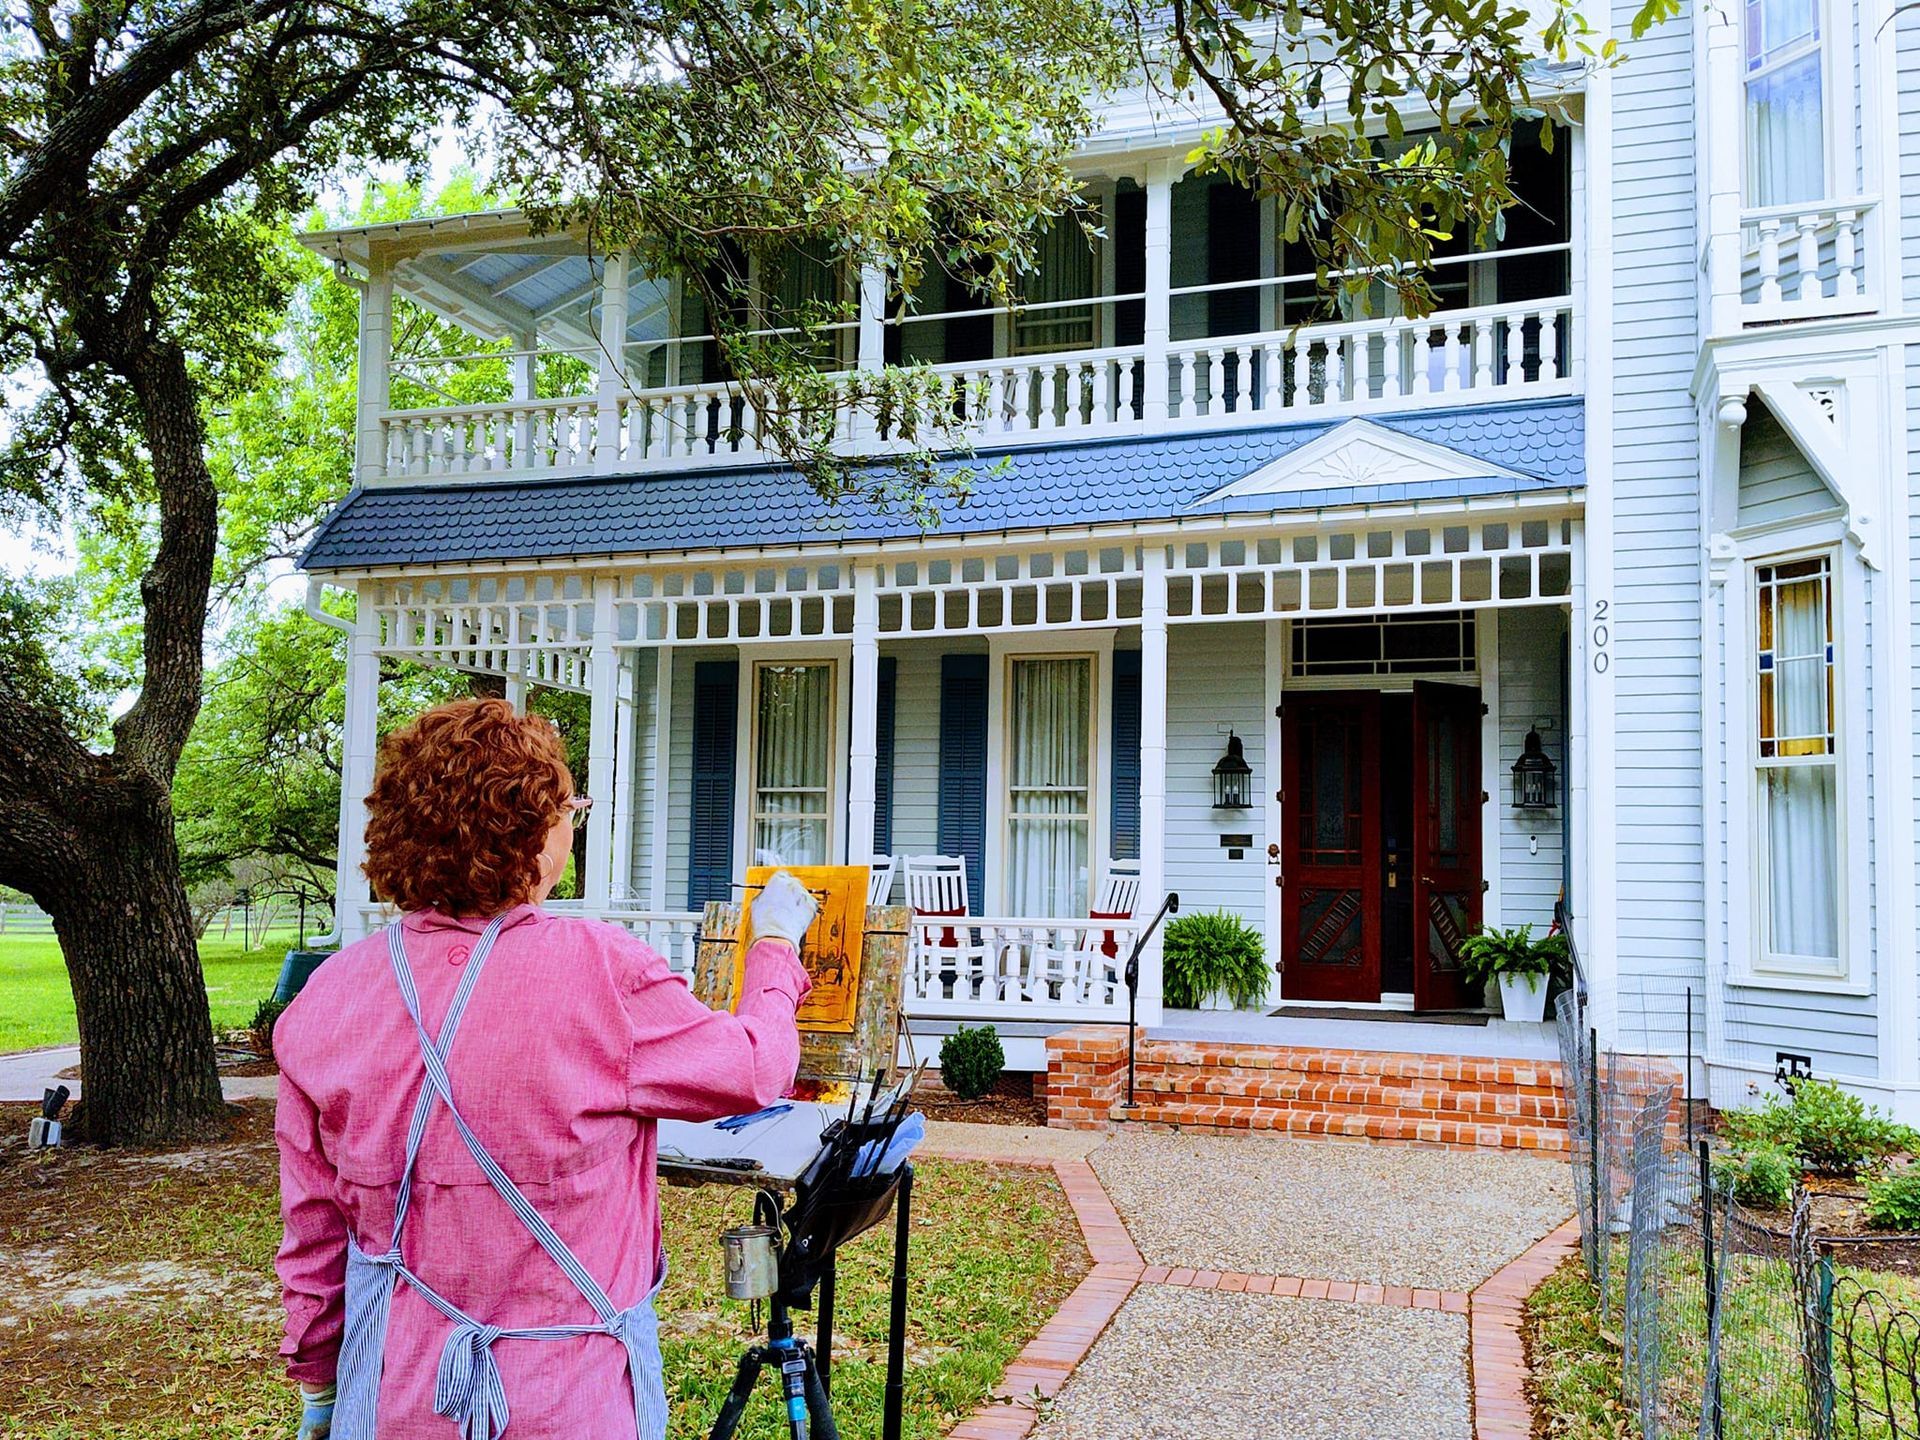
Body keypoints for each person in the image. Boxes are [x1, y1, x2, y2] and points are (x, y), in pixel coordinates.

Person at [274, 697, 815, 1440]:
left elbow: (314, 1231)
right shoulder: (601, 974)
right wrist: (776, 949)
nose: (572, 825)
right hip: (567, 1399)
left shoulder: (326, 997)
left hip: (389, 1394)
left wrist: (320, 1389)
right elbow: (756, 1068)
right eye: (571, 808)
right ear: (533, 827)